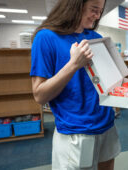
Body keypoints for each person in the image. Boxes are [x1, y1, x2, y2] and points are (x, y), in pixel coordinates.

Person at [30, 0, 121, 169]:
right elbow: (40, 95)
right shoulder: (46, 38)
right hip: (76, 131)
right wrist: (73, 64)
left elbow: (106, 84)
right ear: (75, 5)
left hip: (107, 124)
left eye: (100, 11)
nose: (97, 16)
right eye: (94, 9)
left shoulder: (96, 38)